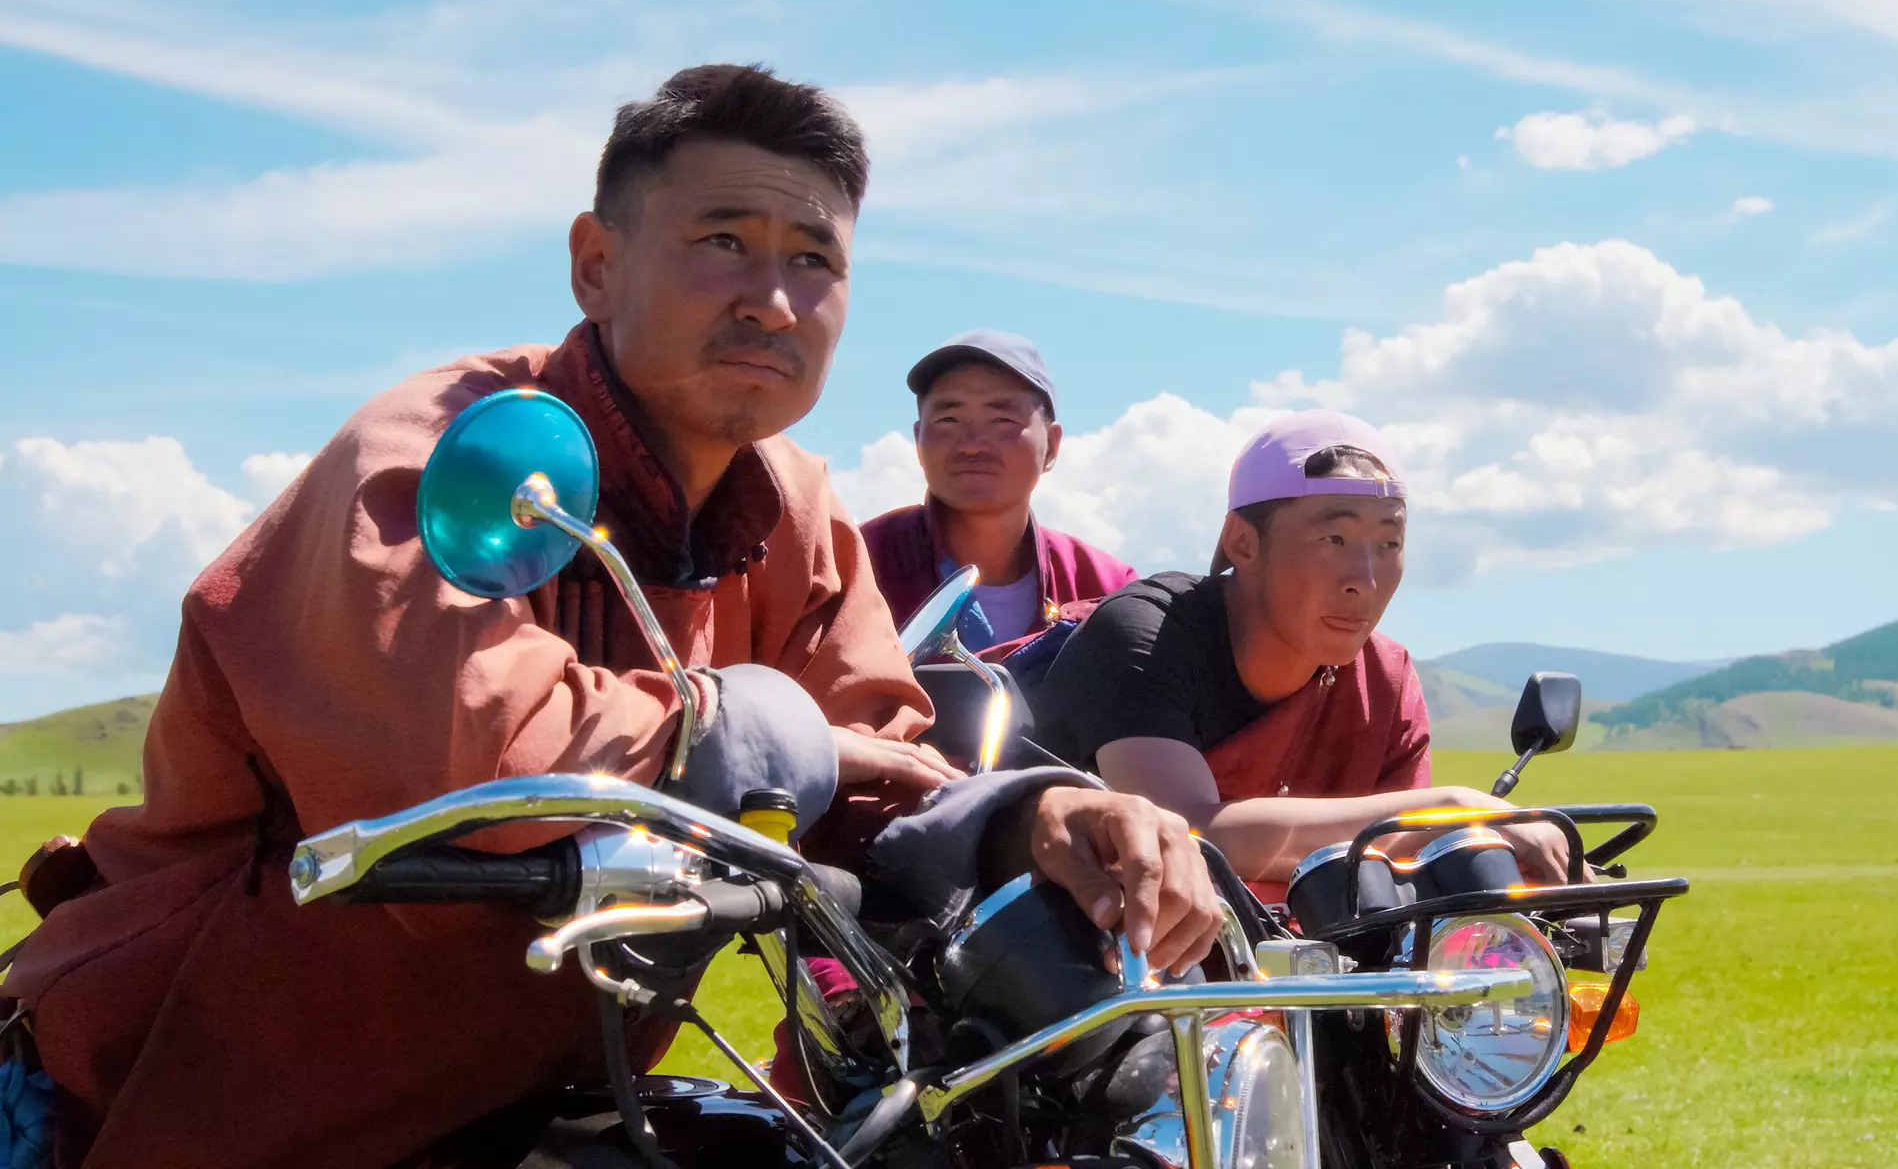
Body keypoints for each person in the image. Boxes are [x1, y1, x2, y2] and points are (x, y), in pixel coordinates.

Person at [0, 64, 1218, 1169]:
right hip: (176, 1099)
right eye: (723, 241)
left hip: (529, 1096)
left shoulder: (793, 507)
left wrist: (1036, 819)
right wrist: (753, 726)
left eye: (814, 260)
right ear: (596, 263)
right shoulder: (450, 452)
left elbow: (882, 767)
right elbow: (477, 758)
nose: (774, 300)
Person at [1032, 409, 1574, 898]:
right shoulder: (1147, 633)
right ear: (1243, 543)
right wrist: (1451, 808)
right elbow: (1185, 830)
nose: (1365, 580)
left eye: (1388, 544)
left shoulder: (1383, 680)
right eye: (1334, 540)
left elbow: (1399, 874)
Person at [862, 330, 1136, 654]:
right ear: (918, 440)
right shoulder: (857, 567)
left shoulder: (1107, 588)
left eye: (1002, 420)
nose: (972, 444)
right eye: (948, 419)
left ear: (1051, 446)